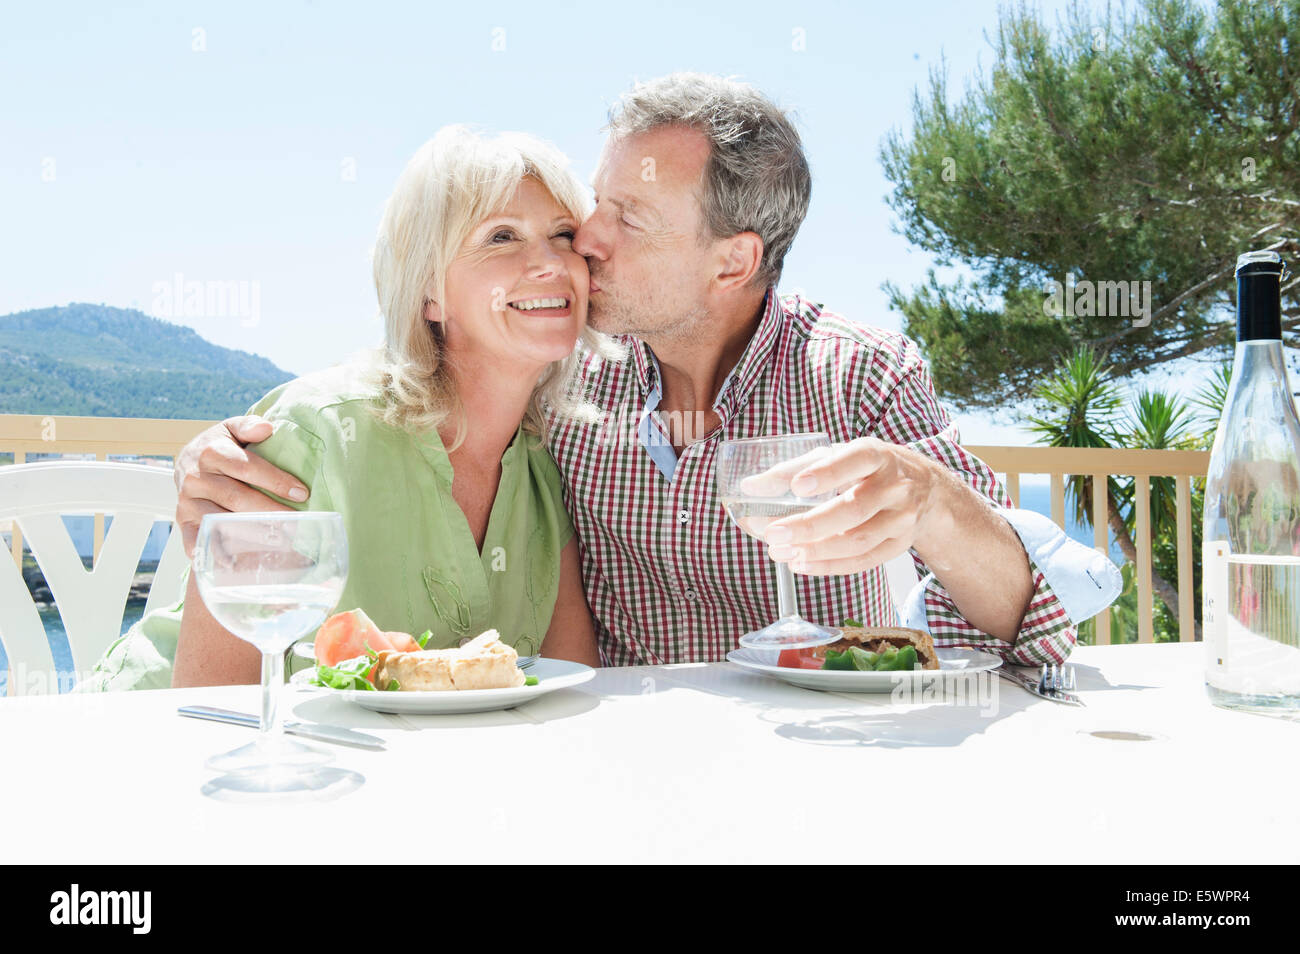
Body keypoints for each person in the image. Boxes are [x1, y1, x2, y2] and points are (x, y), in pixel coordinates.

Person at [172, 73, 1121, 670]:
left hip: (819, 763)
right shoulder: (572, 381)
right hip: (620, 765)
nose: (587, 239)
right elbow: (421, 381)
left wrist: (935, 503)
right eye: (598, 203)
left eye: (628, 217)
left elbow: (1030, 636)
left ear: (732, 261)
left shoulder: (857, 377)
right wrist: (216, 459)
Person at [80, 126, 609, 692]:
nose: (550, 262)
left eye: (562, 234)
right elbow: (214, 699)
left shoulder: (542, 469)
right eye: (502, 236)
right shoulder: (315, 432)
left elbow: (570, 686)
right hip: (152, 743)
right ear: (430, 292)